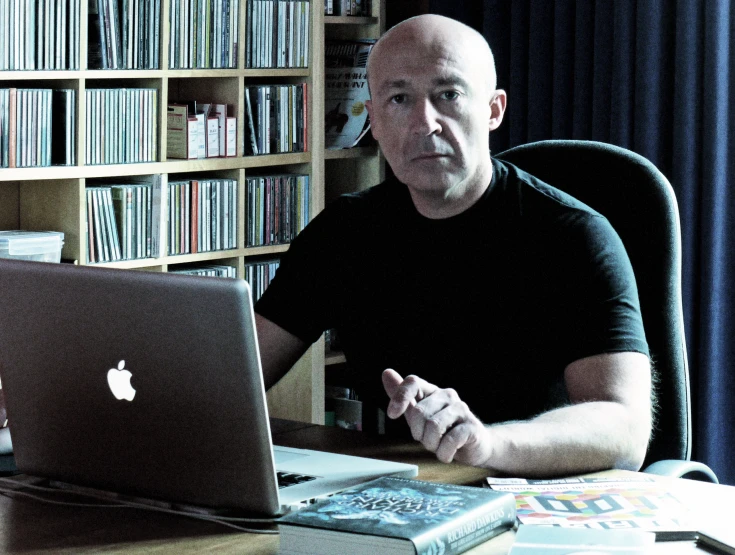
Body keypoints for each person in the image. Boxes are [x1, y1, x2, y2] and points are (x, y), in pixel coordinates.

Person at [255, 14, 652, 477]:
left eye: (449, 95)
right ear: (375, 121)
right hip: (397, 495)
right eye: (399, 99)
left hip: (535, 495)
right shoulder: (344, 233)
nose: (426, 123)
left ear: (493, 109)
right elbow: (235, 373)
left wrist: (487, 443)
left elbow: (624, 428)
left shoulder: (573, 236)